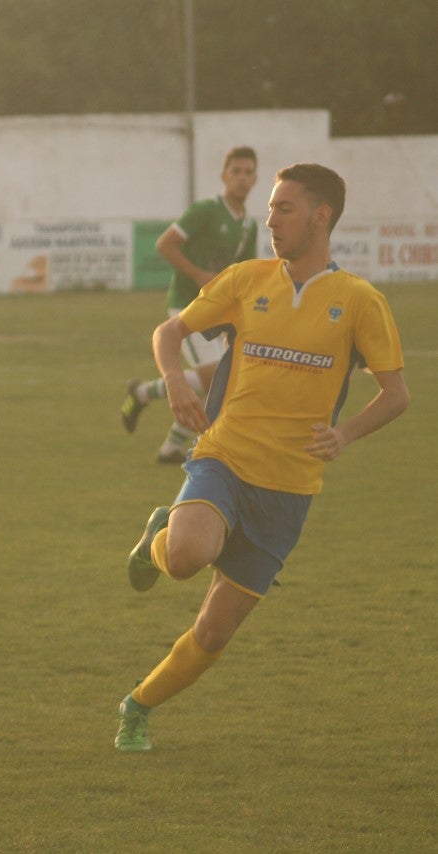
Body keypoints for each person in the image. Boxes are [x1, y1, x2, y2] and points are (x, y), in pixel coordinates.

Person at [114, 163, 409, 752]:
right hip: (224, 457)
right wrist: (172, 382)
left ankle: (137, 706)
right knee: (187, 555)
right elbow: (169, 333)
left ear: (321, 217)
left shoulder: (358, 301)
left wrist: (346, 434)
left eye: (284, 209)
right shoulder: (247, 280)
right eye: (270, 208)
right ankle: (158, 541)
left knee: (213, 634)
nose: (270, 219)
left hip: (289, 491)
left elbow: (396, 394)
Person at [121, 146, 259, 463]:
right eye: (236, 171)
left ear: (255, 179)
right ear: (224, 176)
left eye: (248, 172)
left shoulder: (249, 226)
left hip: (219, 309)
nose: (241, 178)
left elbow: (246, 271)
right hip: (187, 304)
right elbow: (165, 244)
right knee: (215, 377)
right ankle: (146, 398)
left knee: (222, 378)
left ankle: (167, 442)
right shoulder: (206, 211)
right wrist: (199, 275)